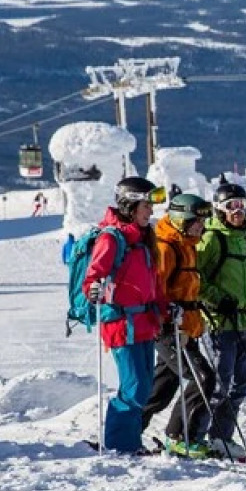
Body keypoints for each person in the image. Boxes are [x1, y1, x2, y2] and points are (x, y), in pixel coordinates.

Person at [82, 177, 171, 454]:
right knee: (134, 387)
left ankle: (129, 442)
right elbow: (92, 278)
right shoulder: (112, 238)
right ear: (129, 205)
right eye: (146, 205)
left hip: (145, 323)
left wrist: (166, 309)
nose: (151, 211)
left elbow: (153, 283)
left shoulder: (144, 239)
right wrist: (94, 290)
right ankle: (120, 445)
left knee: (143, 390)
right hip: (121, 324)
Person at [141, 193, 217, 455]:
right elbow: (157, 292)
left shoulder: (186, 244)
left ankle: (128, 431)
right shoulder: (166, 247)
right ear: (181, 219)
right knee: (203, 377)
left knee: (162, 387)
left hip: (185, 328)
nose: (202, 226)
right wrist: (172, 319)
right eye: (197, 221)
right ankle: (178, 436)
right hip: (169, 329)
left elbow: (185, 288)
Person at [197, 183, 246, 459]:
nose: (239, 211)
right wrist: (217, 299)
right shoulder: (212, 238)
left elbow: (244, 279)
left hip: (243, 320)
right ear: (219, 209)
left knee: (241, 384)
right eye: (232, 205)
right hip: (219, 323)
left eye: (243, 205)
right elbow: (194, 279)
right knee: (218, 384)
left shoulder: (242, 236)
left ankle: (221, 438)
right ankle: (196, 436)